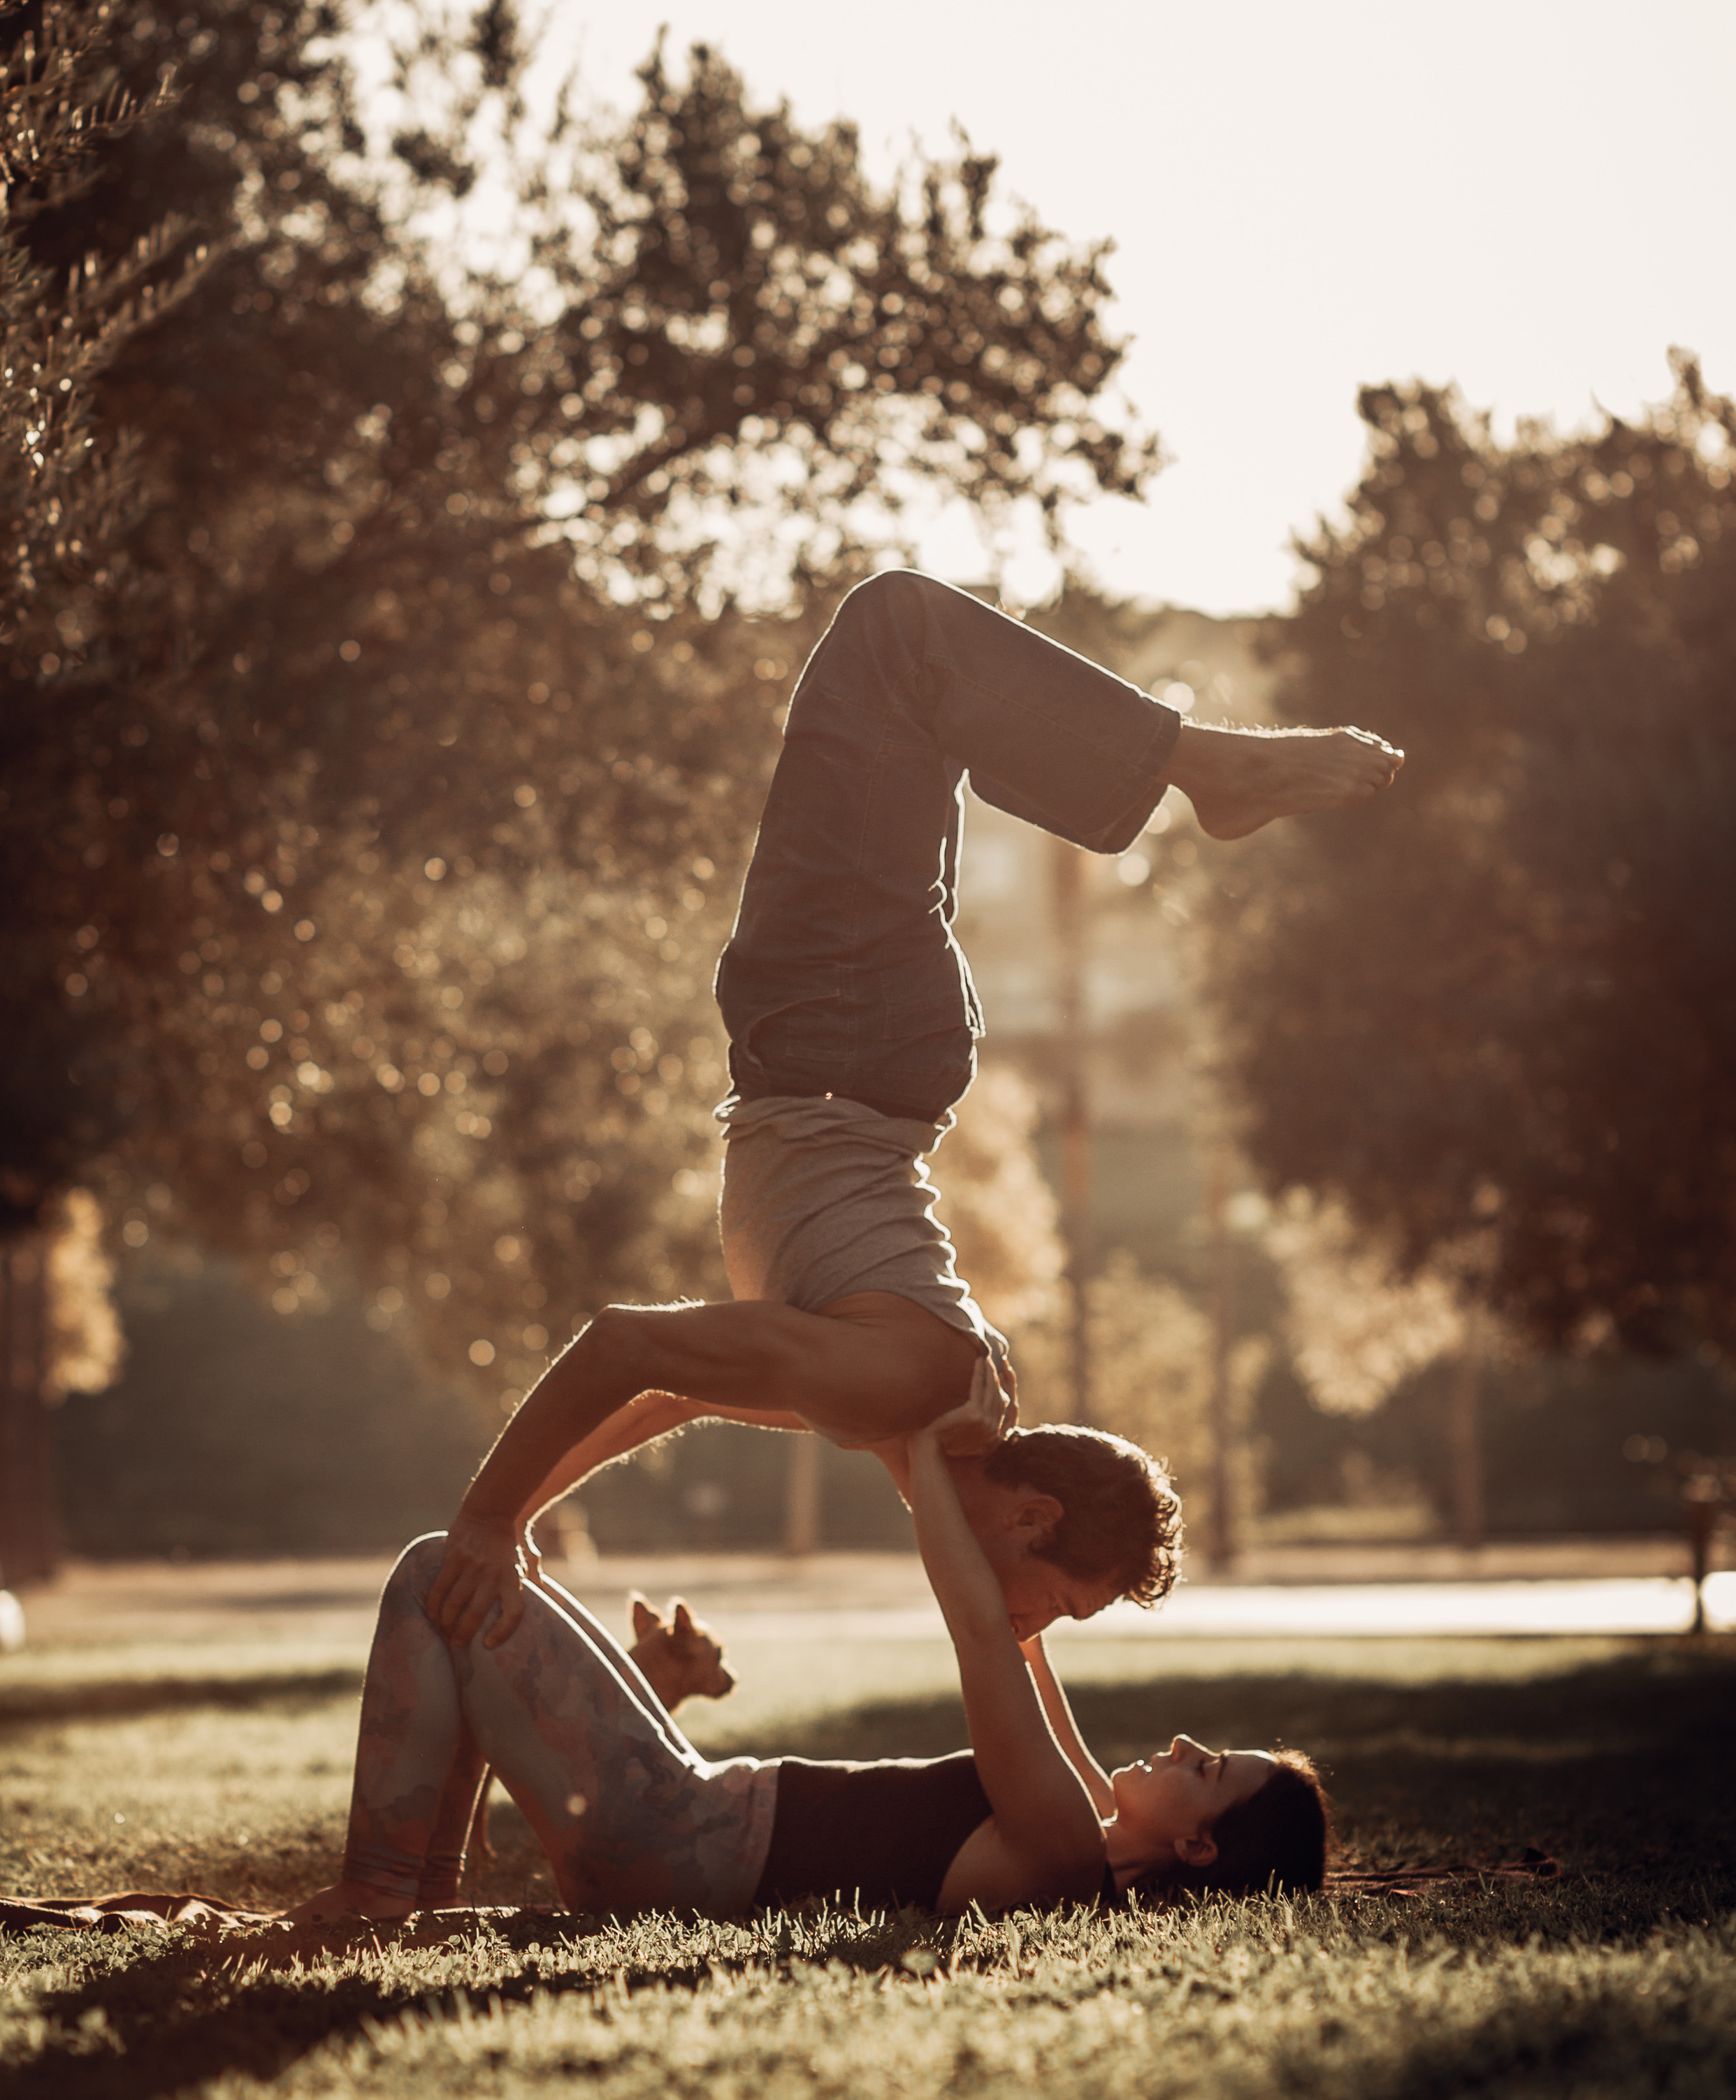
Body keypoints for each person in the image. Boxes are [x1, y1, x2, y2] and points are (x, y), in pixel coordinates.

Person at [428, 570, 1402, 1654]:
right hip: (840, 1033)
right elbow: (622, 1348)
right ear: (1032, 1516)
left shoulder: (910, 1413)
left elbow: (671, 1397)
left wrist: (515, 1515)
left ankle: (1190, 770)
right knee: (898, 634)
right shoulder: (894, 1381)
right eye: (1051, 1603)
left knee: (915, 700)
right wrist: (481, 1520)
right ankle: (1204, 767)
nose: (1027, 1625)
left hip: (862, 1047)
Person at [291, 1368, 1326, 1931]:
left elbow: (982, 1632)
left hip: (681, 1835)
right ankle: (417, 1896)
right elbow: (1017, 1652)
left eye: (1206, 1768)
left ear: (1199, 1848)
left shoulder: (1060, 1839)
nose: (1185, 1742)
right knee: (481, 1591)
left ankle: (383, 1886)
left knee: (443, 1569)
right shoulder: (1081, 1815)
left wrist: (924, 1439)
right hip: (692, 1813)